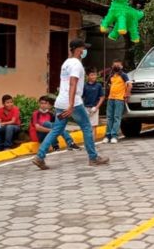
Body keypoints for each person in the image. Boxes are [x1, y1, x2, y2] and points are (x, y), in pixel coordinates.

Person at [32, 38, 109, 170]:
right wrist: (72, 104)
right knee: (86, 126)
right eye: (83, 48)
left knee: (56, 129)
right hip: (72, 102)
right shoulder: (76, 65)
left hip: (60, 101)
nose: (85, 51)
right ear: (78, 50)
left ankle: (39, 156)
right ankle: (93, 157)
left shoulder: (66, 63)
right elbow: (73, 83)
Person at [102, 60, 131, 144]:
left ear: (121, 66)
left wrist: (127, 95)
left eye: (118, 65)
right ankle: (108, 136)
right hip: (111, 98)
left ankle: (114, 135)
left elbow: (130, 85)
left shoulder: (124, 75)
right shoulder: (111, 76)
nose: (116, 66)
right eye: (114, 65)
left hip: (119, 99)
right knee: (109, 117)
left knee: (116, 117)